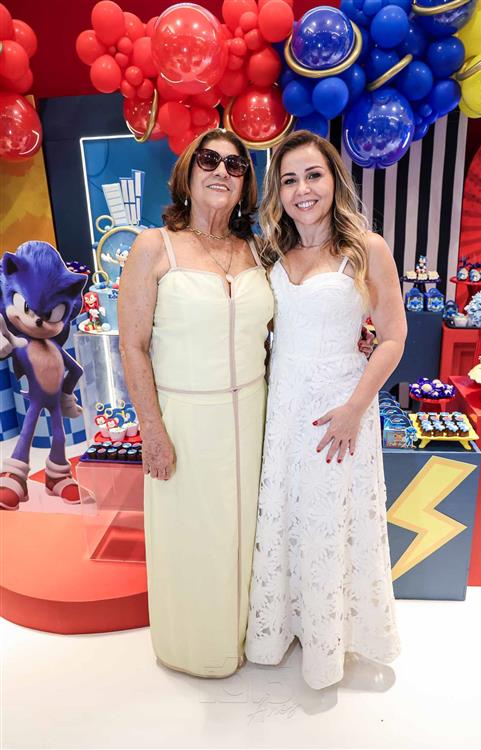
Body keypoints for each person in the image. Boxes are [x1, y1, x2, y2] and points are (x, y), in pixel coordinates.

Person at [119, 128, 373, 679]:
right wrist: (152, 431)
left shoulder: (257, 250)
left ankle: (254, 634)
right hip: (186, 420)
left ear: (245, 185)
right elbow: (132, 346)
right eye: (209, 160)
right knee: (192, 536)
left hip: (258, 417)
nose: (221, 171)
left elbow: (300, 314)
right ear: (187, 172)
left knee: (248, 536)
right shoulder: (153, 247)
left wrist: (352, 341)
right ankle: (194, 648)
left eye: (235, 166)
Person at [245, 130, 407, 690]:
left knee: (328, 523)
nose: (302, 189)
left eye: (313, 175)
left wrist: (355, 409)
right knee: (288, 518)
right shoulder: (271, 251)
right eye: (289, 180)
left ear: (334, 180)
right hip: (283, 412)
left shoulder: (366, 249)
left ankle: (329, 643)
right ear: (279, 192)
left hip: (338, 414)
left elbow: (392, 338)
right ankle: (287, 626)